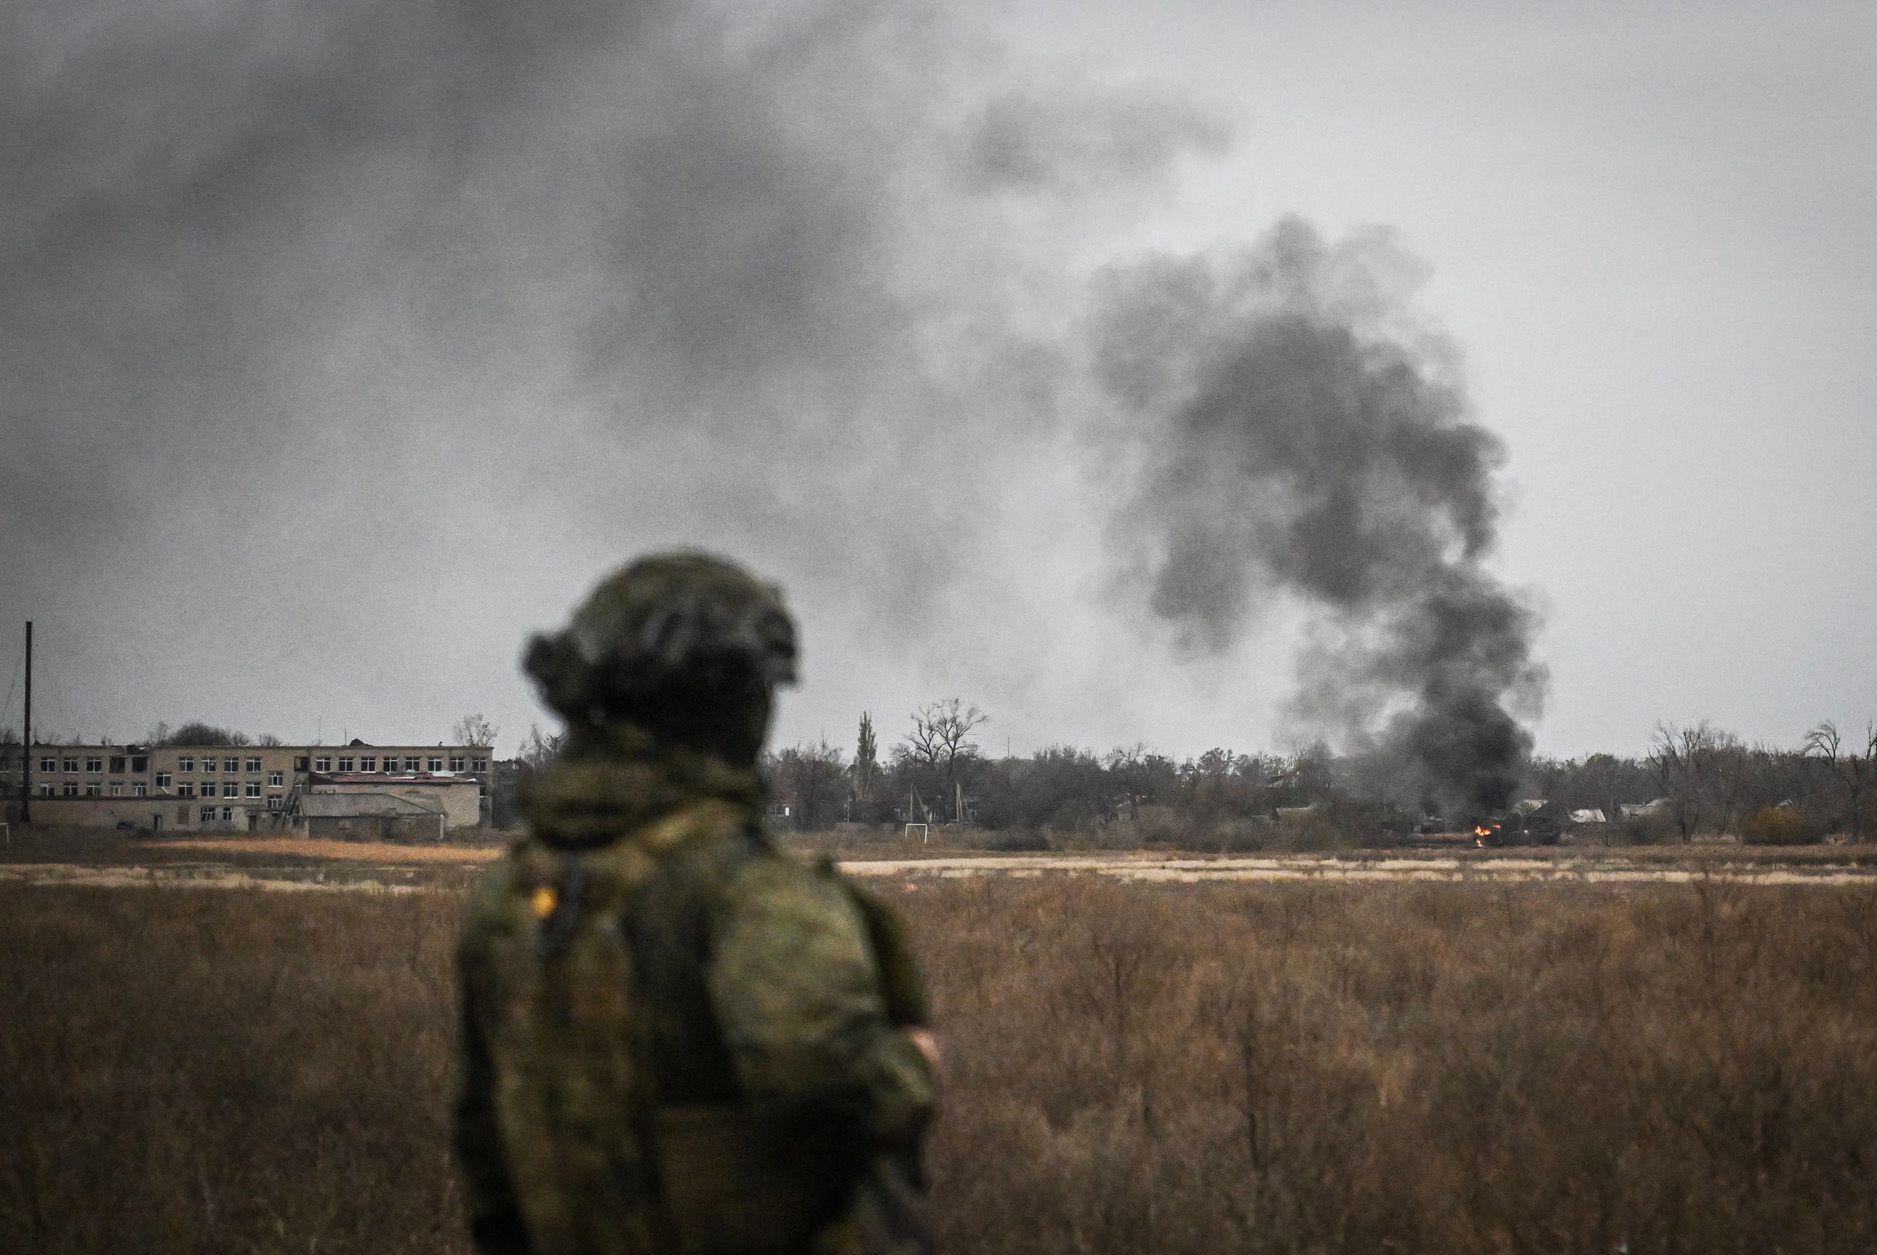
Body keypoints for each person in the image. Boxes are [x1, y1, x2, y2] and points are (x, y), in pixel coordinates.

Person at [455, 551, 938, 1255]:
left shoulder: (507, 897)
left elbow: (485, 1158)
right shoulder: (750, 894)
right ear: (737, 703)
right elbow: (850, 1096)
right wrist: (914, 1063)